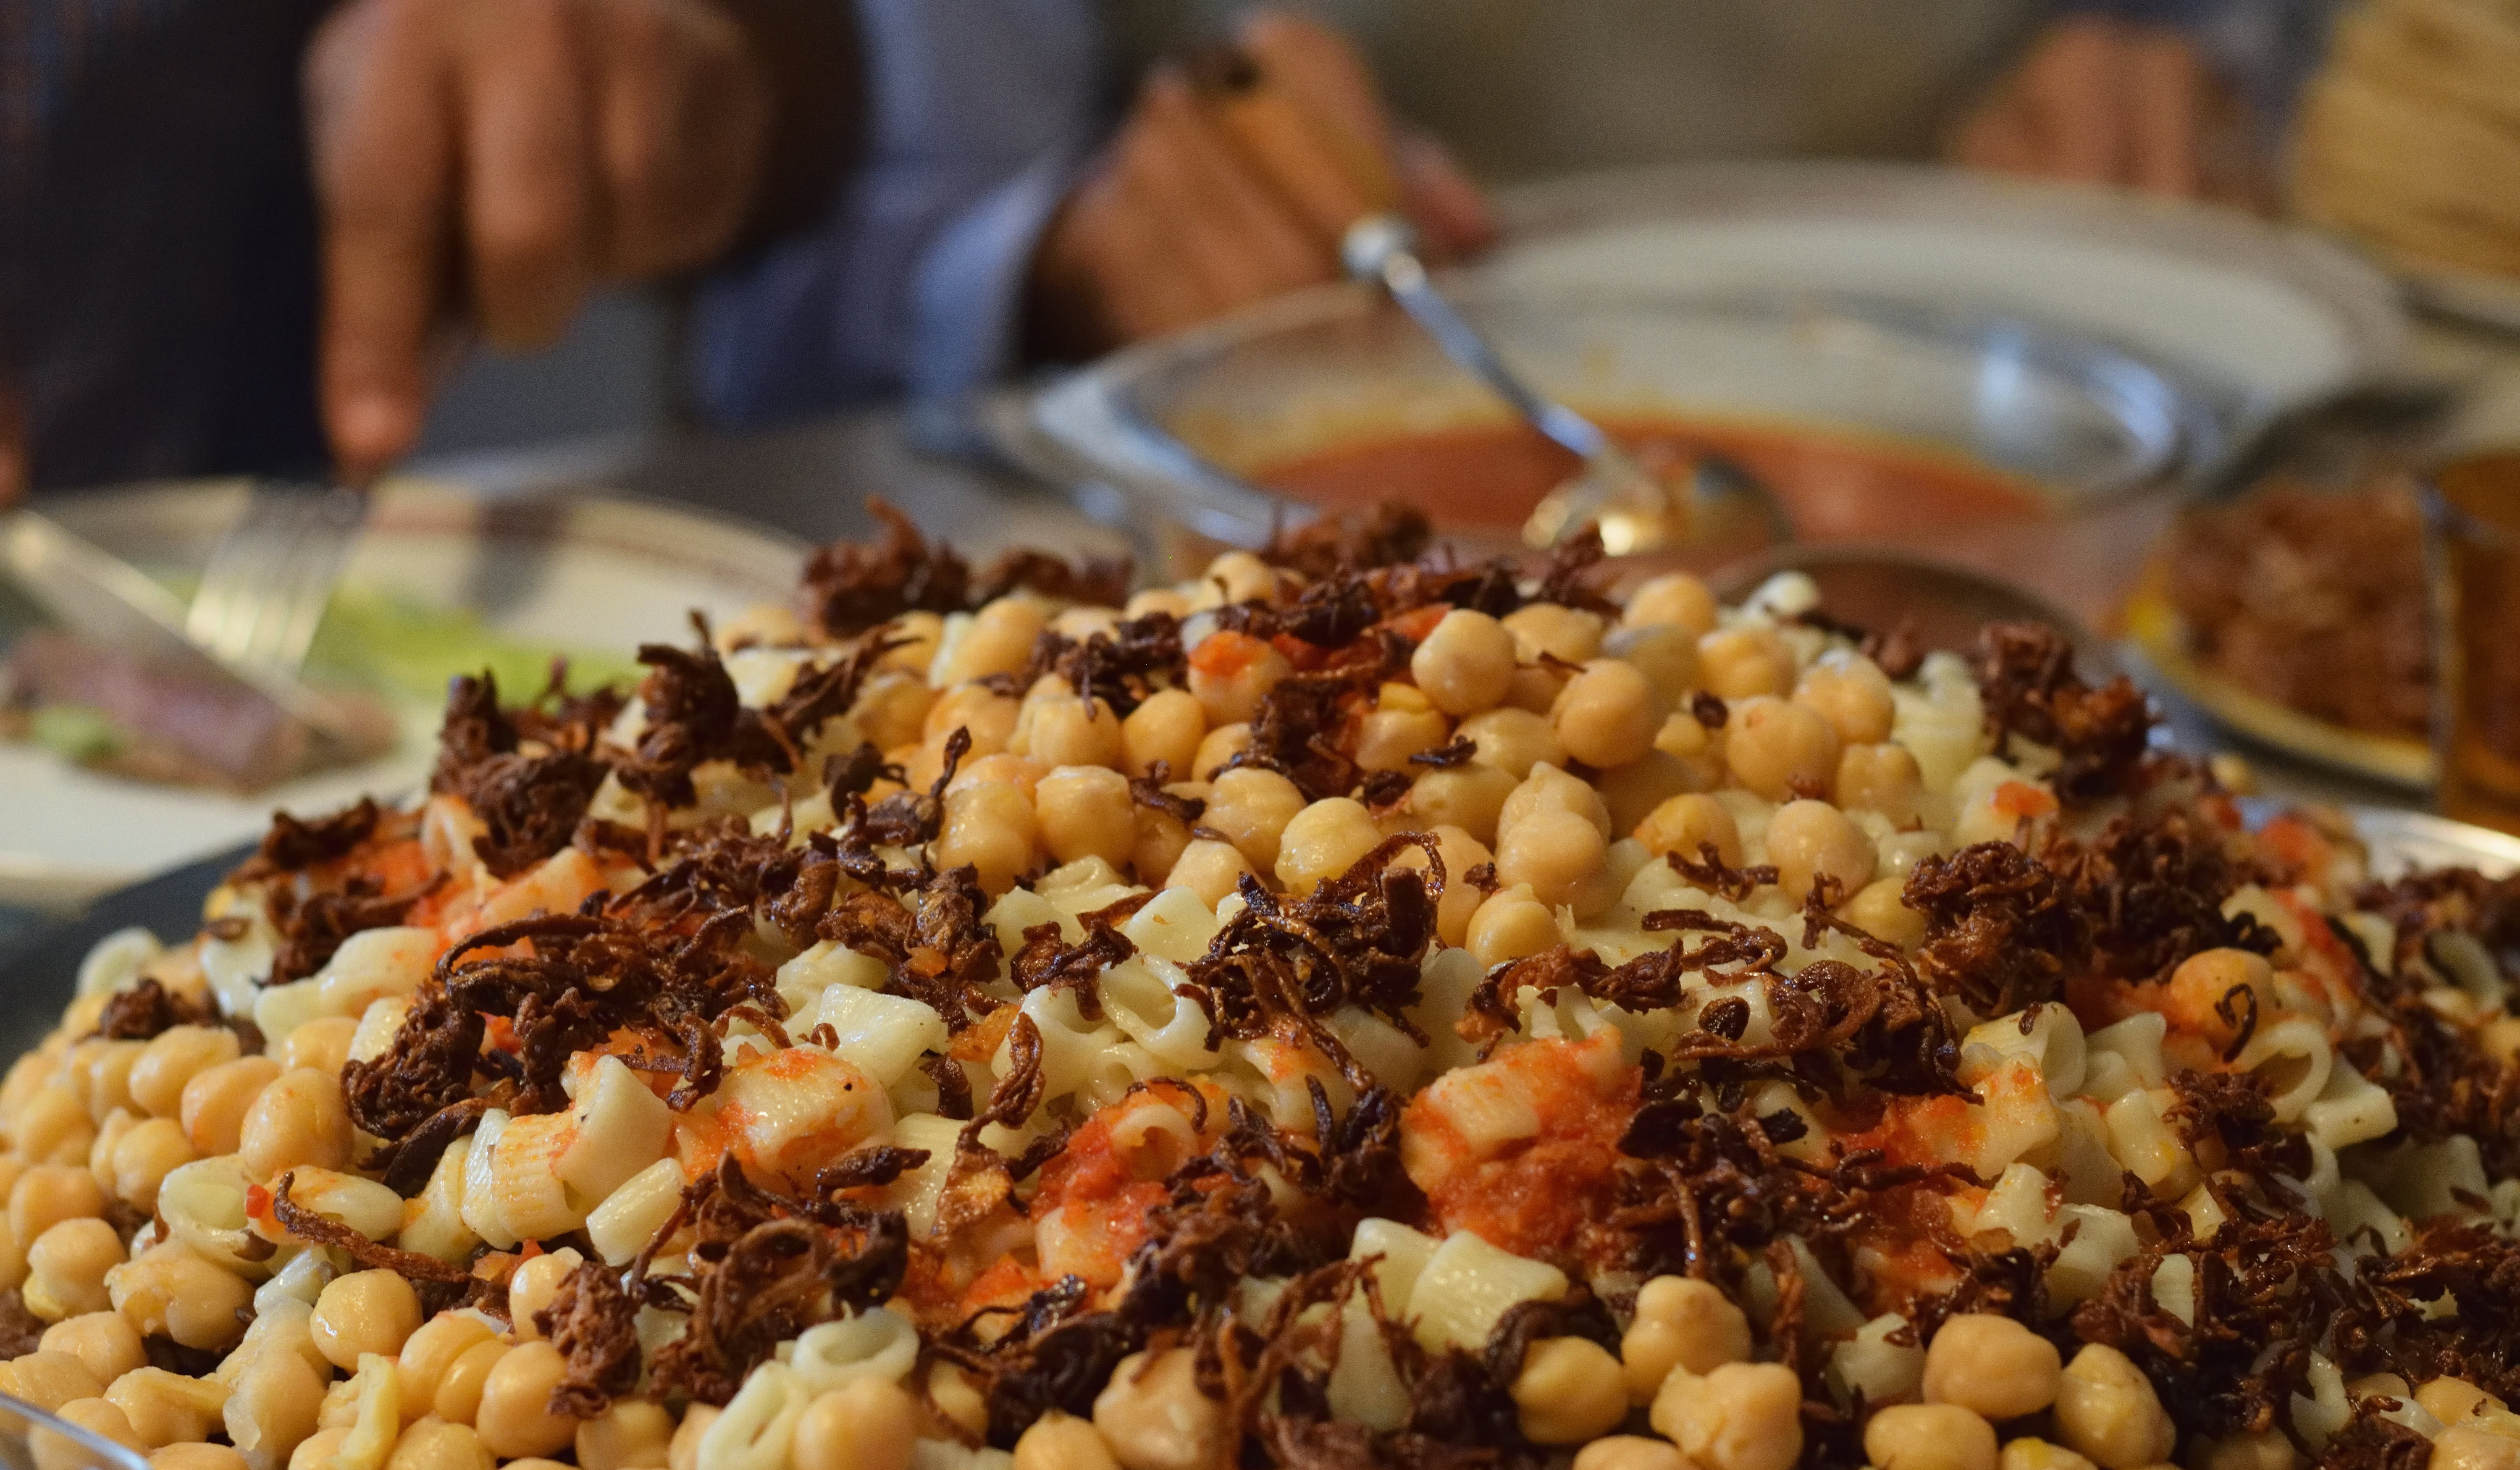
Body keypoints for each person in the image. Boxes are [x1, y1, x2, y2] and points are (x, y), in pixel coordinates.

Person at [0, 0, 2312, 500]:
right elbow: (838, 260)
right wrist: (1061, 259)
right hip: (1213, 488)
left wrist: (2183, 39)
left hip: (2071, 398)